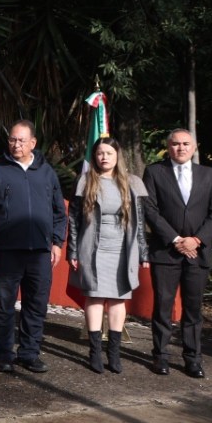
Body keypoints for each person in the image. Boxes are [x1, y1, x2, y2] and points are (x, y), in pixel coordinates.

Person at [0, 120, 66, 373]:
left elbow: (59, 211)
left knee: (36, 304)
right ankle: (4, 353)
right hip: (6, 251)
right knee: (4, 304)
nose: (16, 145)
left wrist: (57, 242)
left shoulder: (47, 172)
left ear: (33, 143)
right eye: (12, 140)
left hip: (40, 252)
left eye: (21, 140)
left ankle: (29, 353)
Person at [143, 129, 212, 378]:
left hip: (197, 253)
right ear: (168, 147)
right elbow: (149, 208)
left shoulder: (209, 174)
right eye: (175, 144)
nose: (180, 148)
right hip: (166, 252)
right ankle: (161, 356)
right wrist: (176, 239)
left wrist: (197, 240)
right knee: (163, 307)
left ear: (194, 146)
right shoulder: (155, 172)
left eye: (185, 144)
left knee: (193, 309)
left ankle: (193, 358)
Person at [67, 138, 149, 373]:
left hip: (122, 249)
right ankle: (94, 353)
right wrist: (72, 251)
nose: (104, 157)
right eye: (100, 153)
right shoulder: (85, 181)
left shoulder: (131, 183)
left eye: (109, 153)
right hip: (93, 248)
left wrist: (143, 251)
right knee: (94, 297)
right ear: (95, 157)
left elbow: (140, 221)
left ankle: (114, 354)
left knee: (117, 299)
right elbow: (74, 219)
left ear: (117, 155)